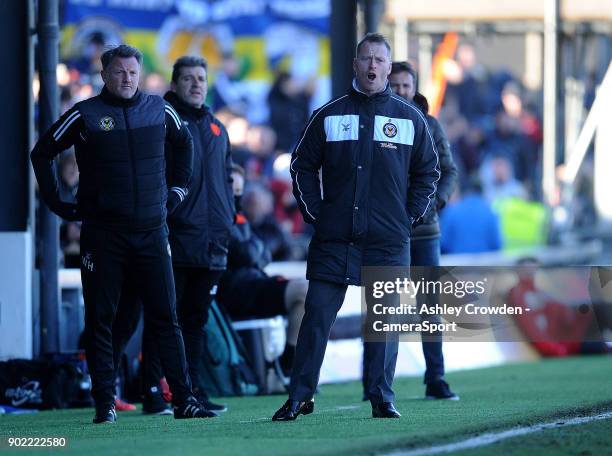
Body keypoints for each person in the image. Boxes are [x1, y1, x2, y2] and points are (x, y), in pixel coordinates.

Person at [31, 44, 215, 423]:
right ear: (105, 76)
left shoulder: (160, 110)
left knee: (167, 318)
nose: (127, 78)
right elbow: (42, 152)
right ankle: (105, 403)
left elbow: (186, 145)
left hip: (152, 233)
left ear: (140, 74)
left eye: (132, 72)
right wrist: (58, 203)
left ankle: (184, 400)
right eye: (119, 72)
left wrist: (177, 191)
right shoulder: (85, 114)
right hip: (104, 236)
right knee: (102, 319)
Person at [272, 33, 440, 421]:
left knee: (384, 325)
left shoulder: (409, 117)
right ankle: (300, 397)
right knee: (315, 319)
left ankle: (382, 397)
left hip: (388, 240)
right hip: (335, 239)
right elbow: (301, 166)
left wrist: (406, 217)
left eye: (380, 60)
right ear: (355, 63)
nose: (372, 66)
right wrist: (316, 213)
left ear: (387, 64)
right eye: (366, 58)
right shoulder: (329, 114)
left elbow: (428, 172)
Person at [112, 55, 235, 414]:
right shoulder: (160, 121)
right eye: (188, 79)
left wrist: (229, 219)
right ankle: (152, 390)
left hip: (212, 243)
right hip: (173, 237)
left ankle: (191, 390)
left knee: (194, 320)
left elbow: (227, 181)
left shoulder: (217, 128)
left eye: (201, 78)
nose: (196, 84)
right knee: (163, 318)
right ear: (174, 84)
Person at [385, 61, 459, 400]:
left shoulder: (430, 125)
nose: (401, 91)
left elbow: (449, 172)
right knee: (383, 305)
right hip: (385, 231)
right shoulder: (377, 124)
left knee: (430, 305)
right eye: (395, 85)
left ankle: (436, 378)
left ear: (414, 89)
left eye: (406, 85)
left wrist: (434, 205)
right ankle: (376, 380)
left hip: (425, 232)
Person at [216, 164, 306, 378]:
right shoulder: (220, 217)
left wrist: (254, 250)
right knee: (304, 290)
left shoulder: (244, 220)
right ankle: (288, 363)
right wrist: (254, 250)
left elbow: (262, 253)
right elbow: (250, 253)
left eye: (240, 191)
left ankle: (289, 360)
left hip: (252, 283)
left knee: (310, 292)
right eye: (235, 191)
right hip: (232, 290)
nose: (238, 197)